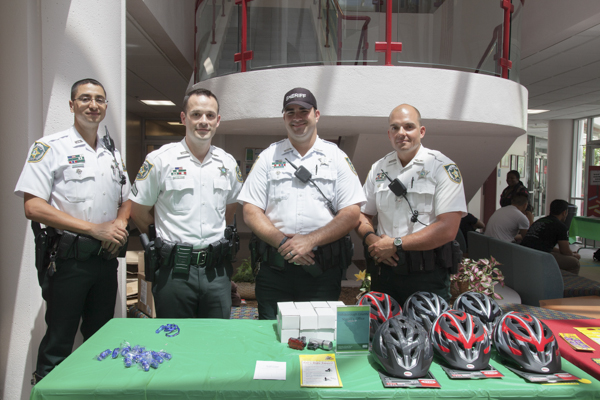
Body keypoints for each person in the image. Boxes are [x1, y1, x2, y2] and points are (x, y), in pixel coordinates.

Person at [15, 78, 131, 384]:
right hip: (67, 262)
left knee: (100, 340)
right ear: (71, 105)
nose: (93, 105)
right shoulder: (50, 147)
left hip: (104, 262)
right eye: (85, 99)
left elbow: (127, 199)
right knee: (59, 342)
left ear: (106, 106)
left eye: (99, 99)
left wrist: (119, 224)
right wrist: (95, 229)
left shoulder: (113, 155)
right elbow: (33, 207)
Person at [238, 87, 365, 320]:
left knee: (319, 337)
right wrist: (285, 243)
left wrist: (310, 240)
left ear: (316, 115)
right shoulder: (269, 156)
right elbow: (250, 210)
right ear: (284, 117)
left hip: (321, 271)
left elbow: (351, 212)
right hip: (275, 270)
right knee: (271, 335)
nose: (297, 117)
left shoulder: (336, 157)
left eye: (303, 111)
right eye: (290, 112)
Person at [130, 88, 242, 318]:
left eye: (210, 116)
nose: (204, 121)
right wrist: (163, 239)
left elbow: (229, 211)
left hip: (216, 271)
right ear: (184, 118)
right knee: (175, 340)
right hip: (175, 271)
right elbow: (138, 211)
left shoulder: (228, 163)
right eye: (196, 114)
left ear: (218, 121)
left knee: (216, 339)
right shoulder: (160, 160)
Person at [355, 104, 467, 306]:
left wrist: (396, 244)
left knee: (427, 333)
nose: (401, 133)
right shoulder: (378, 168)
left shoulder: (441, 167)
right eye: (395, 128)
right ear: (389, 134)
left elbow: (448, 228)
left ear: (421, 131)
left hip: (426, 277)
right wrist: (372, 239)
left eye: (409, 127)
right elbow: (362, 215)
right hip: (384, 273)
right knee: (383, 333)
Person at [521, 199, 581, 275]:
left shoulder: (540, 221)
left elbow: (544, 244)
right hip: (538, 257)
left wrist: (567, 252)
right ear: (564, 212)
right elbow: (565, 251)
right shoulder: (561, 226)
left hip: (524, 253)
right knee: (574, 262)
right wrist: (574, 255)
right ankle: (565, 284)